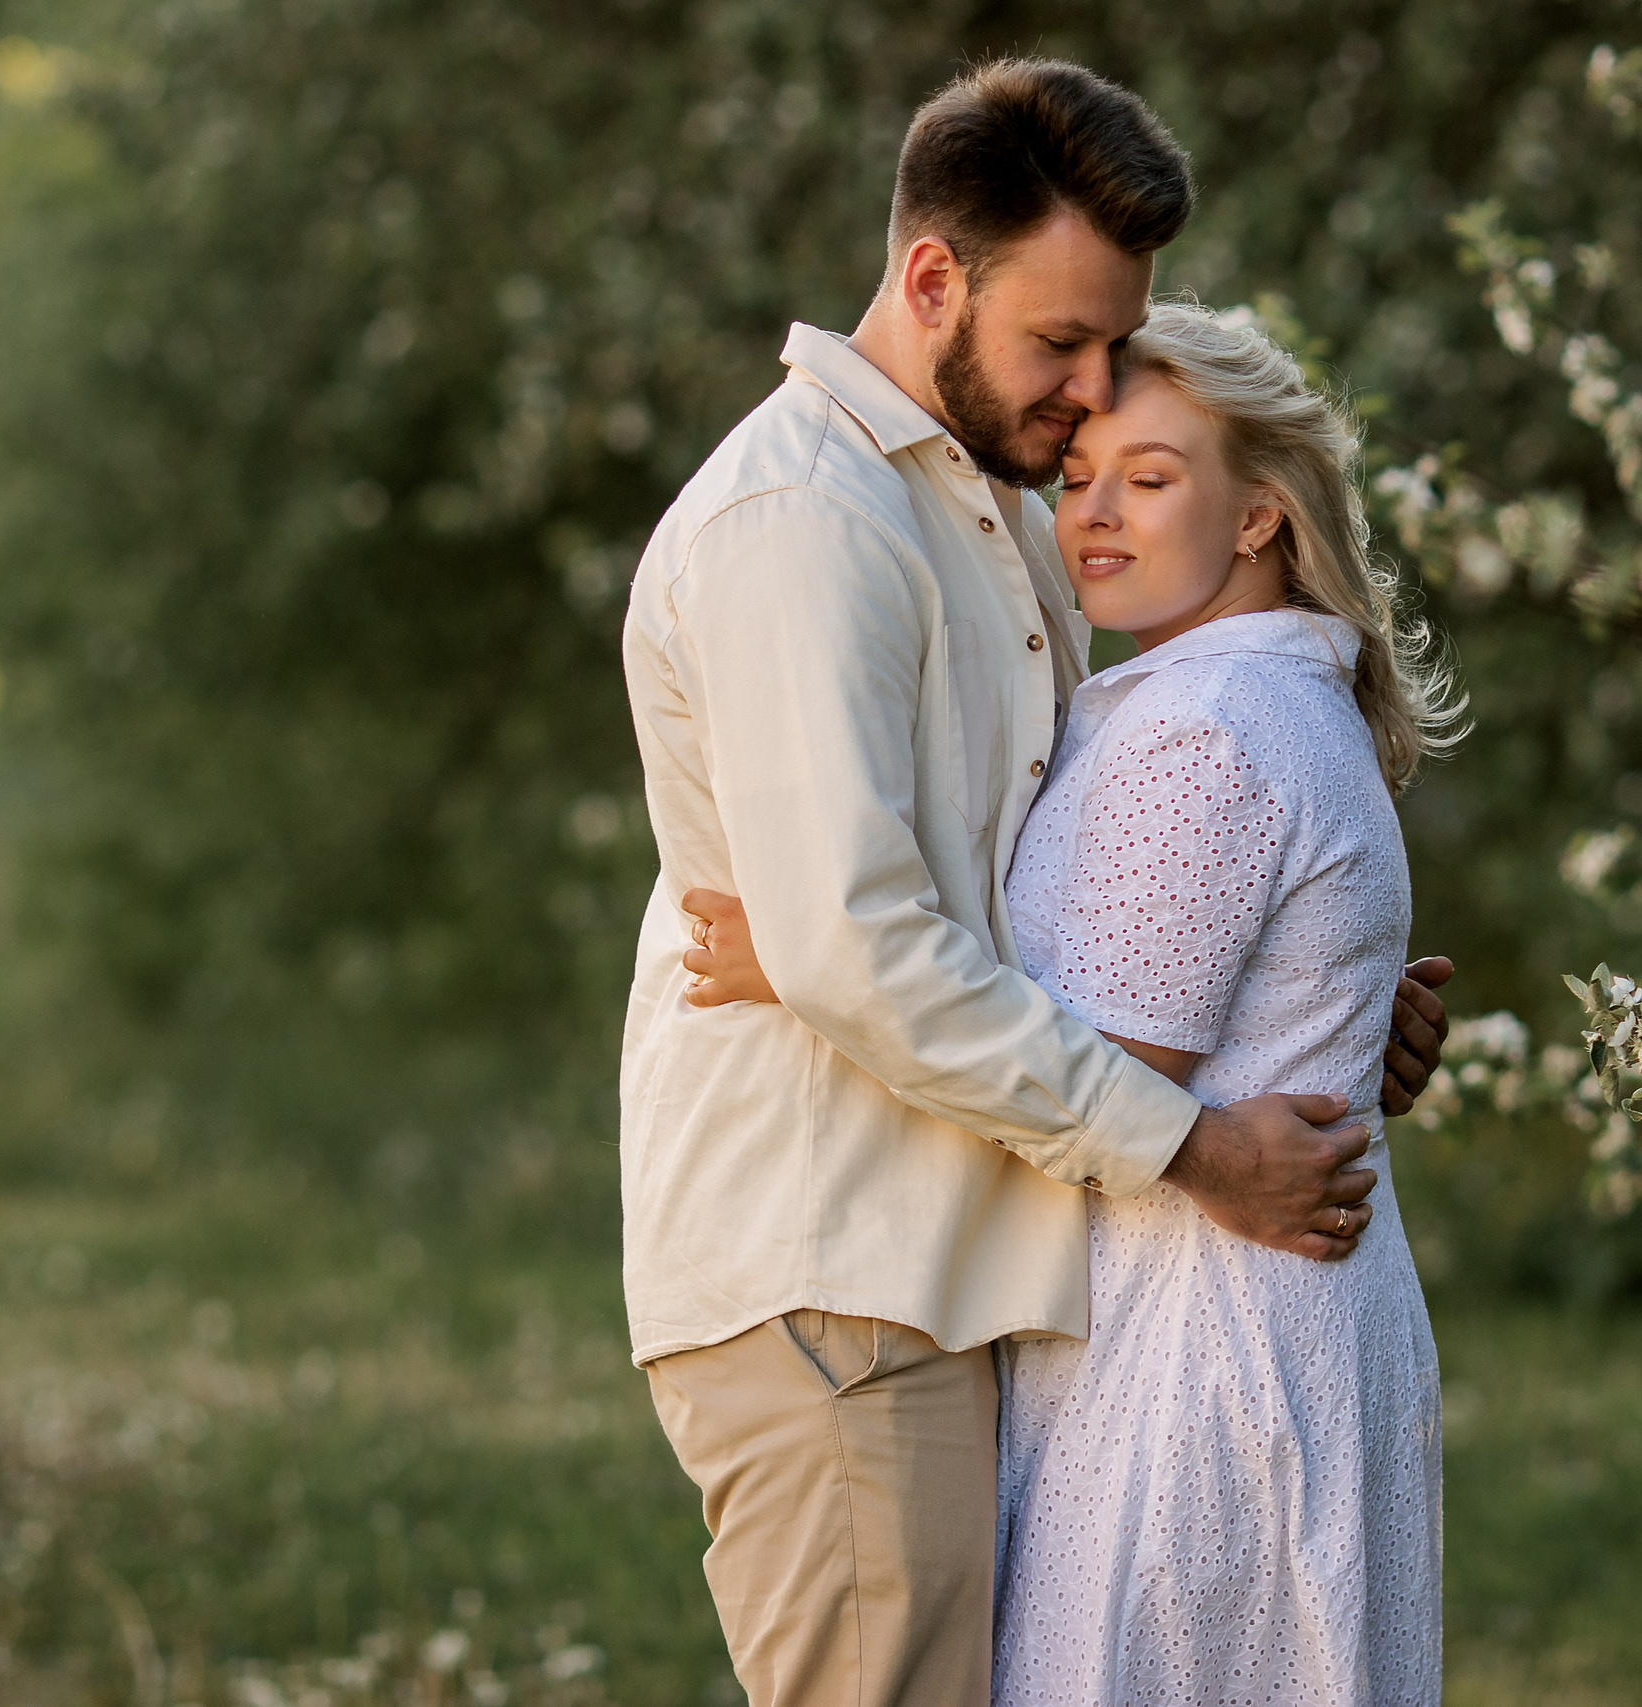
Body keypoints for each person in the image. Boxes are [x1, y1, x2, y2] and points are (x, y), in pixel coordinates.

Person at [619, 58, 1453, 1706]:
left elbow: (1060, 891)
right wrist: (1201, 1140)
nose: (1088, 392)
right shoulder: (808, 522)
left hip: (956, 1265)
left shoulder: (983, 516)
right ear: (934, 277)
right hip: (831, 1276)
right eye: (1058, 343)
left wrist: (1307, 1007)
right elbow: (859, 946)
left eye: (1110, 346)